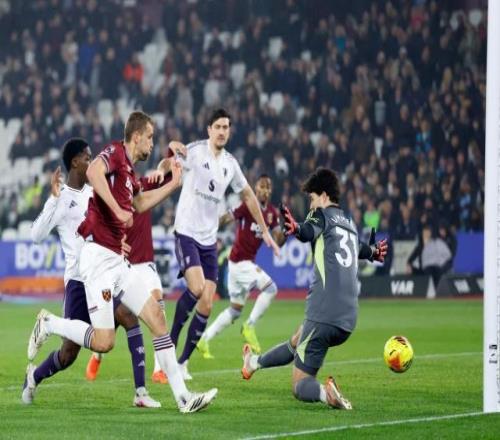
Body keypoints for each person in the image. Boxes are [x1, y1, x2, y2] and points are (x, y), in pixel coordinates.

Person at [26, 111, 217, 413]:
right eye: (150, 137)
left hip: (117, 260)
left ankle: (183, 399)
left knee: (156, 318)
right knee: (104, 342)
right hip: (98, 261)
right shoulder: (115, 152)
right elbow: (93, 173)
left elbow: (139, 203)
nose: (152, 143)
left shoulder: (128, 171)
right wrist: (116, 210)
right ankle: (49, 323)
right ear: (136, 136)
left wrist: (172, 186)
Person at [22, 137, 160, 408]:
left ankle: (141, 392)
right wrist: (52, 200)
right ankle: (34, 376)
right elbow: (35, 235)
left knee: (129, 317)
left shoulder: (95, 191)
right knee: (68, 354)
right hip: (77, 280)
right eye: (87, 158)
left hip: (102, 273)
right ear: (75, 162)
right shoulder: (62, 199)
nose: (93, 161)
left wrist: (116, 243)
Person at [240, 168, 387, 409]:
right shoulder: (349, 225)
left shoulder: (320, 215)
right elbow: (362, 249)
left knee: (300, 385)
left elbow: (308, 230)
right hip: (348, 320)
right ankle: (252, 363)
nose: (310, 205)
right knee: (298, 338)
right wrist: (374, 252)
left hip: (324, 314)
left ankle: (325, 394)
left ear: (324, 196)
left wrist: (296, 228)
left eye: (312, 198)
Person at [167, 108, 280, 380]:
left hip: (209, 240)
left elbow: (249, 196)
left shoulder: (230, 164)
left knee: (207, 304)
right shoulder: (195, 151)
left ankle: (182, 363)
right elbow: (170, 160)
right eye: (217, 127)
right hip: (186, 232)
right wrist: (170, 147)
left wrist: (265, 231)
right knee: (196, 288)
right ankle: (167, 348)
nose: (221, 131)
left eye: (225, 127)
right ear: (209, 129)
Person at [85, 157, 184, 385]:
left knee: (158, 309)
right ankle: (97, 354)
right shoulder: (109, 200)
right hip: (123, 266)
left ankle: (159, 369)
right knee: (117, 319)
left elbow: (167, 167)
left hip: (146, 265)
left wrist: (163, 167)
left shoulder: (143, 185)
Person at [196, 174, 286, 358]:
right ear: (255, 188)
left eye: (268, 187)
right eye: (262, 186)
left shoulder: (271, 213)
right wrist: (208, 225)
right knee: (271, 288)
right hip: (240, 263)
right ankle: (250, 326)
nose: (265, 190)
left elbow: (278, 240)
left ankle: (204, 339)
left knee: (235, 310)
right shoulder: (247, 205)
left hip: (240, 265)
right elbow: (226, 218)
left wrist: (287, 231)